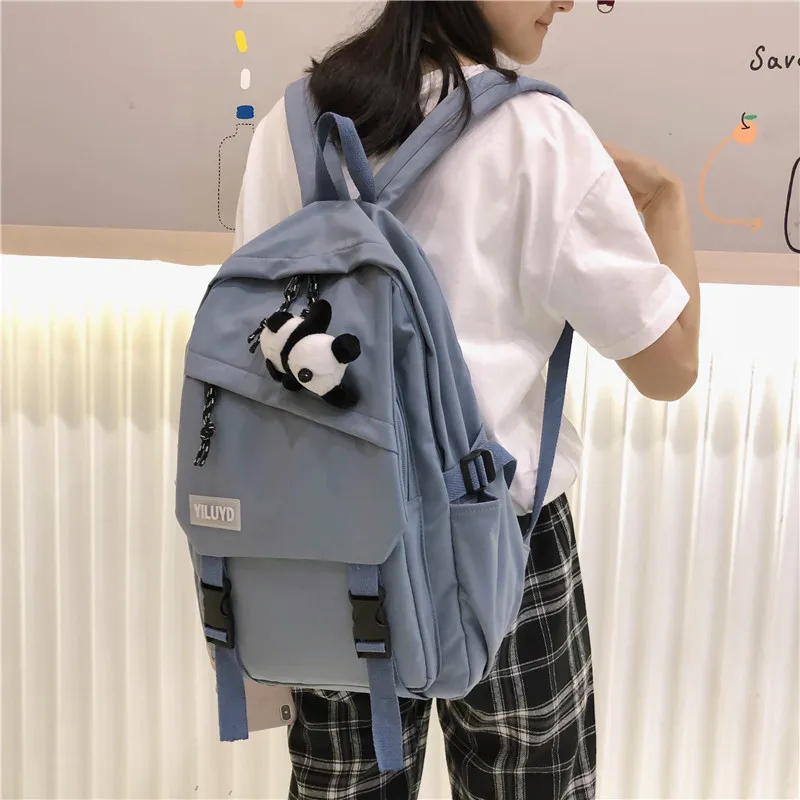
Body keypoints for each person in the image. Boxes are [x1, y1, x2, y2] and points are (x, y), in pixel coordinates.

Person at [233, 2, 700, 798]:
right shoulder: (540, 136)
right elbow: (671, 367)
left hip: (330, 536)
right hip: (501, 544)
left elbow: (259, 342)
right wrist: (666, 198)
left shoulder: (293, 122)